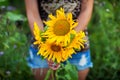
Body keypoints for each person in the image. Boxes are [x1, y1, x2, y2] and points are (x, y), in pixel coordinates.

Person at [24, 0, 94, 80]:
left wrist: (68, 41)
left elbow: (86, 8)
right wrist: (46, 45)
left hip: (76, 43)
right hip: (44, 46)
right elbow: (32, 13)